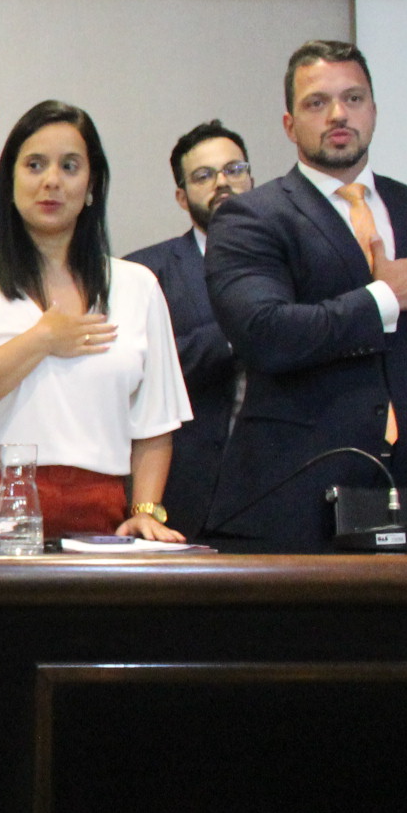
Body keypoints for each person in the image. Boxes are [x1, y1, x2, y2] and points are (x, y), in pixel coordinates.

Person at [204, 40, 407, 551]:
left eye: (353, 98)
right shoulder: (250, 217)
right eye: (317, 102)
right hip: (292, 499)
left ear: (374, 111)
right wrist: (385, 297)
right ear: (289, 124)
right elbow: (266, 334)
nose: (338, 114)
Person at [0, 100, 189, 552]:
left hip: (98, 514)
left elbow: (155, 422)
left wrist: (145, 510)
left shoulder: (136, 285)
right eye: (34, 165)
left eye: (69, 166)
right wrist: (41, 339)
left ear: (91, 185)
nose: (51, 181)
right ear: (9, 183)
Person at [122, 120, 255, 537]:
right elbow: (135, 372)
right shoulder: (144, 272)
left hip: (275, 487)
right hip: (182, 490)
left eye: (234, 170)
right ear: (181, 196)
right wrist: (239, 333)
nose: (222, 183)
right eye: (203, 176)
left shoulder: (293, 264)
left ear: (252, 179)